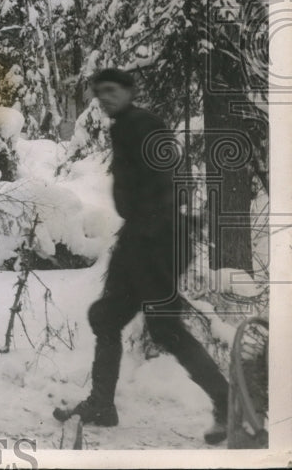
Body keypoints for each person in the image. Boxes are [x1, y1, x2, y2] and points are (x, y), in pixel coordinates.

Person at [54, 69, 229, 443]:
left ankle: (229, 404)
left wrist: (152, 239)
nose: (104, 98)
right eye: (99, 92)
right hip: (139, 239)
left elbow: (169, 182)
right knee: (106, 317)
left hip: (158, 241)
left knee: (165, 328)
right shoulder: (124, 126)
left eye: (112, 91)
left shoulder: (144, 125)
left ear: (129, 91)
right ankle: (102, 403)